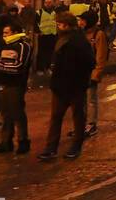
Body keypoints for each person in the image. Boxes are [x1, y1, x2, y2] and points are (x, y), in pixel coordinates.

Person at [37, 12, 94, 162]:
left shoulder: (79, 42)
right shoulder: (63, 39)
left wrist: (78, 77)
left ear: (67, 25)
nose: (58, 27)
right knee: (57, 117)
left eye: (59, 25)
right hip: (62, 86)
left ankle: (73, 146)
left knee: (77, 117)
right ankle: (51, 148)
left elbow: (89, 62)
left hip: (74, 86)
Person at [0, 17, 31, 154]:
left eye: (7, 33)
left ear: (15, 32)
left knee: (17, 113)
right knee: (5, 114)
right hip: (4, 84)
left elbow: (19, 67)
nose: (4, 35)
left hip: (16, 85)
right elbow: (4, 64)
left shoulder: (23, 46)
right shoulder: (5, 46)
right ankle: (6, 142)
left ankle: (23, 141)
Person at [80, 10, 109, 138]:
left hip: (91, 73)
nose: (80, 22)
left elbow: (101, 56)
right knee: (81, 100)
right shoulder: (81, 33)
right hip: (80, 72)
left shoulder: (99, 34)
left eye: (83, 20)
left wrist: (96, 74)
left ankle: (91, 124)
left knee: (91, 99)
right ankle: (81, 124)